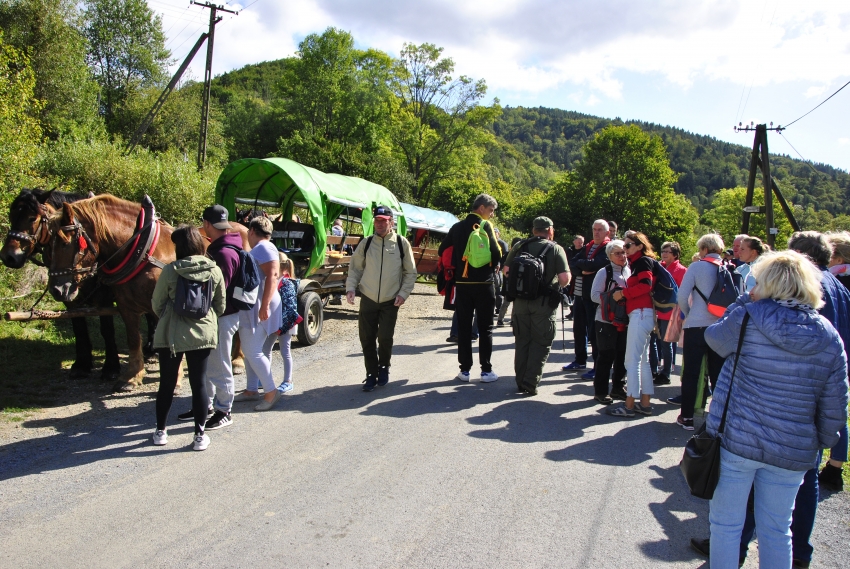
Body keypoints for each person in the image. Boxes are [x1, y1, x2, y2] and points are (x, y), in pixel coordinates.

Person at [704, 250, 848, 569]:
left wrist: (742, 302)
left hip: (738, 439)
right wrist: (819, 441)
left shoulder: (747, 316)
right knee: (777, 530)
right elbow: (836, 402)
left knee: (726, 526)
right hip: (793, 447)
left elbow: (714, 339)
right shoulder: (828, 335)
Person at [151, 225, 226, 451]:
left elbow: (156, 303)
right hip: (202, 333)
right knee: (199, 383)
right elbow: (220, 305)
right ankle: (200, 435)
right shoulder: (214, 270)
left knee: (166, 382)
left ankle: (161, 431)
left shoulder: (170, 270)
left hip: (172, 334)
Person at [179, 205, 245, 431]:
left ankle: (224, 409)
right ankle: (205, 405)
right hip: (219, 315)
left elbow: (219, 291)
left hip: (222, 316)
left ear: (207, 224)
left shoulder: (224, 253)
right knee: (207, 365)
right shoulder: (222, 248)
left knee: (219, 364)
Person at [346, 205, 417, 391]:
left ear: (391, 222)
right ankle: (371, 373)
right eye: (377, 220)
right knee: (367, 338)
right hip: (368, 298)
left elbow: (411, 273)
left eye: (383, 221)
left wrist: (403, 294)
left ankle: (384, 366)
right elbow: (355, 268)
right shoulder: (367, 243)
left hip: (390, 300)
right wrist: (351, 288)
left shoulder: (401, 243)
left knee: (385, 338)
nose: (379, 224)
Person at [438, 194, 503, 382]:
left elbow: (443, 250)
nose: (491, 215)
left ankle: (464, 370)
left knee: (464, 328)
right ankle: (486, 371)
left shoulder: (457, 227)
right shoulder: (485, 226)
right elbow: (497, 253)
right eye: (490, 211)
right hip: (484, 284)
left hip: (462, 284)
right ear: (481, 208)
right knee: (485, 328)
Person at [503, 216, 569, 395]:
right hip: (544, 304)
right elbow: (564, 279)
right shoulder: (556, 249)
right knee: (541, 343)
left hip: (521, 304)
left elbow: (506, 271)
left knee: (522, 341)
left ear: (534, 230)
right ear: (550, 230)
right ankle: (530, 383)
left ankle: (520, 380)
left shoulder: (519, 246)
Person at [672, 234, 727, 430]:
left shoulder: (696, 267)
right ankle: (717, 418)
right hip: (720, 327)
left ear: (703, 249)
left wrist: (689, 314)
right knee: (718, 375)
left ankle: (686, 416)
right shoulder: (729, 268)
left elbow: (682, 296)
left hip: (696, 326)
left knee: (691, 374)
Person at [607, 231, 656, 418]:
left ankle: (629, 405)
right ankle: (644, 403)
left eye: (628, 246)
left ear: (639, 246)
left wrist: (624, 294)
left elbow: (646, 285)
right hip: (644, 314)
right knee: (642, 361)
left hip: (641, 314)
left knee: (632, 360)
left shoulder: (642, 262)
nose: (624, 249)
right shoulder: (641, 262)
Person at [238, 217, 283, 411]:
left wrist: (264, 306)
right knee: (254, 351)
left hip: (261, 306)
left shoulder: (263, 248)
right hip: (260, 304)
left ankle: (271, 392)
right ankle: (251, 390)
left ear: (252, 231)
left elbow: (273, 276)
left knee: (252, 351)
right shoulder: (266, 247)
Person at [564, 220, 610, 379]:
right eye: (594, 229)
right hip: (579, 294)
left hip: (593, 297)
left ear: (607, 232)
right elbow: (572, 263)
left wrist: (583, 267)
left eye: (600, 230)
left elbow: (596, 264)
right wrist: (583, 270)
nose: (596, 233)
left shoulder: (608, 248)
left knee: (594, 332)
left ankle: (598, 367)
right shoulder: (588, 247)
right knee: (578, 329)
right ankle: (580, 360)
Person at [589, 239, 630, 404]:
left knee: (622, 355)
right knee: (606, 356)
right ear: (610, 256)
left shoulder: (630, 270)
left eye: (624, 252)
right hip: (605, 321)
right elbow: (594, 295)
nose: (622, 256)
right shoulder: (604, 272)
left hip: (625, 321)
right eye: (618, 253)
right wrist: (613, 300)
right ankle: (600, 392)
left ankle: (618, 388)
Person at [650, 241, 687, 386]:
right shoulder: (659, 267)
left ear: (675, 255)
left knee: (667, 343)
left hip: (670, 312)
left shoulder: (681, 270)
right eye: (663, 251)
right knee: (653, 341)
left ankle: (666, 373)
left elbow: (683, 293)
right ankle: (653, 369)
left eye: (667, 252)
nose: (664, 254)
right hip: (656, 310)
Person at [497, 237, 523, 326]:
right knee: (509, 302)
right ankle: (504, 320)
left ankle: (506, 320)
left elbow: (501, 267)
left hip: (508, 282)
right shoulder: (519, 255)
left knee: (508, 302)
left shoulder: (509, 255)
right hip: (513, 282)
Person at [329, 219, 345, 305]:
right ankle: (337, 296)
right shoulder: (343, 233)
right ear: (341, 226)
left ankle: (337, 297)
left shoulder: (330, 230)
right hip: (339, 260)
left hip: (329, 259)